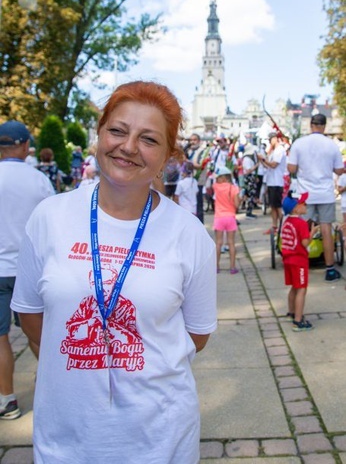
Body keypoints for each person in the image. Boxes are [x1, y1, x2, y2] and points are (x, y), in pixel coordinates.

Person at [11, 81, 217, 463]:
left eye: (149, 139)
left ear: (169, 155)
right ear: (100, 133)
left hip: (160, 438)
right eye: (118, 130)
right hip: (66, 437)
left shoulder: (189, 235)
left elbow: (197, 335)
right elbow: (31, 315)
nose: (128, 147)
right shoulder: (49, 217)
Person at [0, 120, 55, 420]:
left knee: (0, 337)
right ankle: (52, 383)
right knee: (36, 332)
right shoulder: (37, 180)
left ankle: (7, 398)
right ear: (23, 146)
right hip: (29, 266)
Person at [287, 113, 344, 282]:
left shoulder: (299, 143)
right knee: (326, 229)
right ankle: (330, 269)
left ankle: (298, 264)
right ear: (324, 126)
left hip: (306, 194)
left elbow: (291, 169)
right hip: (325, 192)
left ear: (311, 125)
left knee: (303, 227)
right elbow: (339, 170)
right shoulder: (332, 145)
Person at [281, 192, 319, 332]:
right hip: (299, 260)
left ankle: (291, 312)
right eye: (303, 204)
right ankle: (298, 320)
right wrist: (312, 233)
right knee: (302, 289)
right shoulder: (301, 223)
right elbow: (305, 243)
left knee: (294, 287)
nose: (306, 205)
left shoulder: (287, 222)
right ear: (296, 209)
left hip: (288, 260)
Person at [212, 166, 240, 274]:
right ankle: (232, 267)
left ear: (223, 178)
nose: (216, 179)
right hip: (230, 217)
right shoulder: (234, 188)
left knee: (218, 243)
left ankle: (216, 266)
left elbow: (209, 185)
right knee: (231, 243)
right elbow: (237, 204)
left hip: (219, 218)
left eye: (218, 177)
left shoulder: (216, 187)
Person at [258, 132, 286, 234]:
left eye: (270, 140)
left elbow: (274, 165)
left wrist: (264, 159)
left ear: (275, 138)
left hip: (277, 182)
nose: (269, 142)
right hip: (271, 182)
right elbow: (267, 166)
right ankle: (274, 226)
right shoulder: (273, 151)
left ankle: (283, 226)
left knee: (278, 206)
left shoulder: (280, 150)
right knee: (273, 206)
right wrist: (261, 160)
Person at [184, 133, 208, 223]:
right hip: (187, 183)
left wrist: (186, 161)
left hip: (198, 182)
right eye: (191, 140)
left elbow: (200, 166)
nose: (192, 142)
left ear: (199, 141)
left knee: (198, 206)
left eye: (194, 140)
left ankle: (200, 226)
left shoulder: (203, 151)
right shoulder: (188, 151)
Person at [242, 143, 259, 219]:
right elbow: (248, 171)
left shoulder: (249, 158)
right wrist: (256, 166)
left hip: (251, 177)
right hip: (248, 178)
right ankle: (248, 212)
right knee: (250, 195)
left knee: (251, 194)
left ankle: (250, 210)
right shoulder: (247, 159)